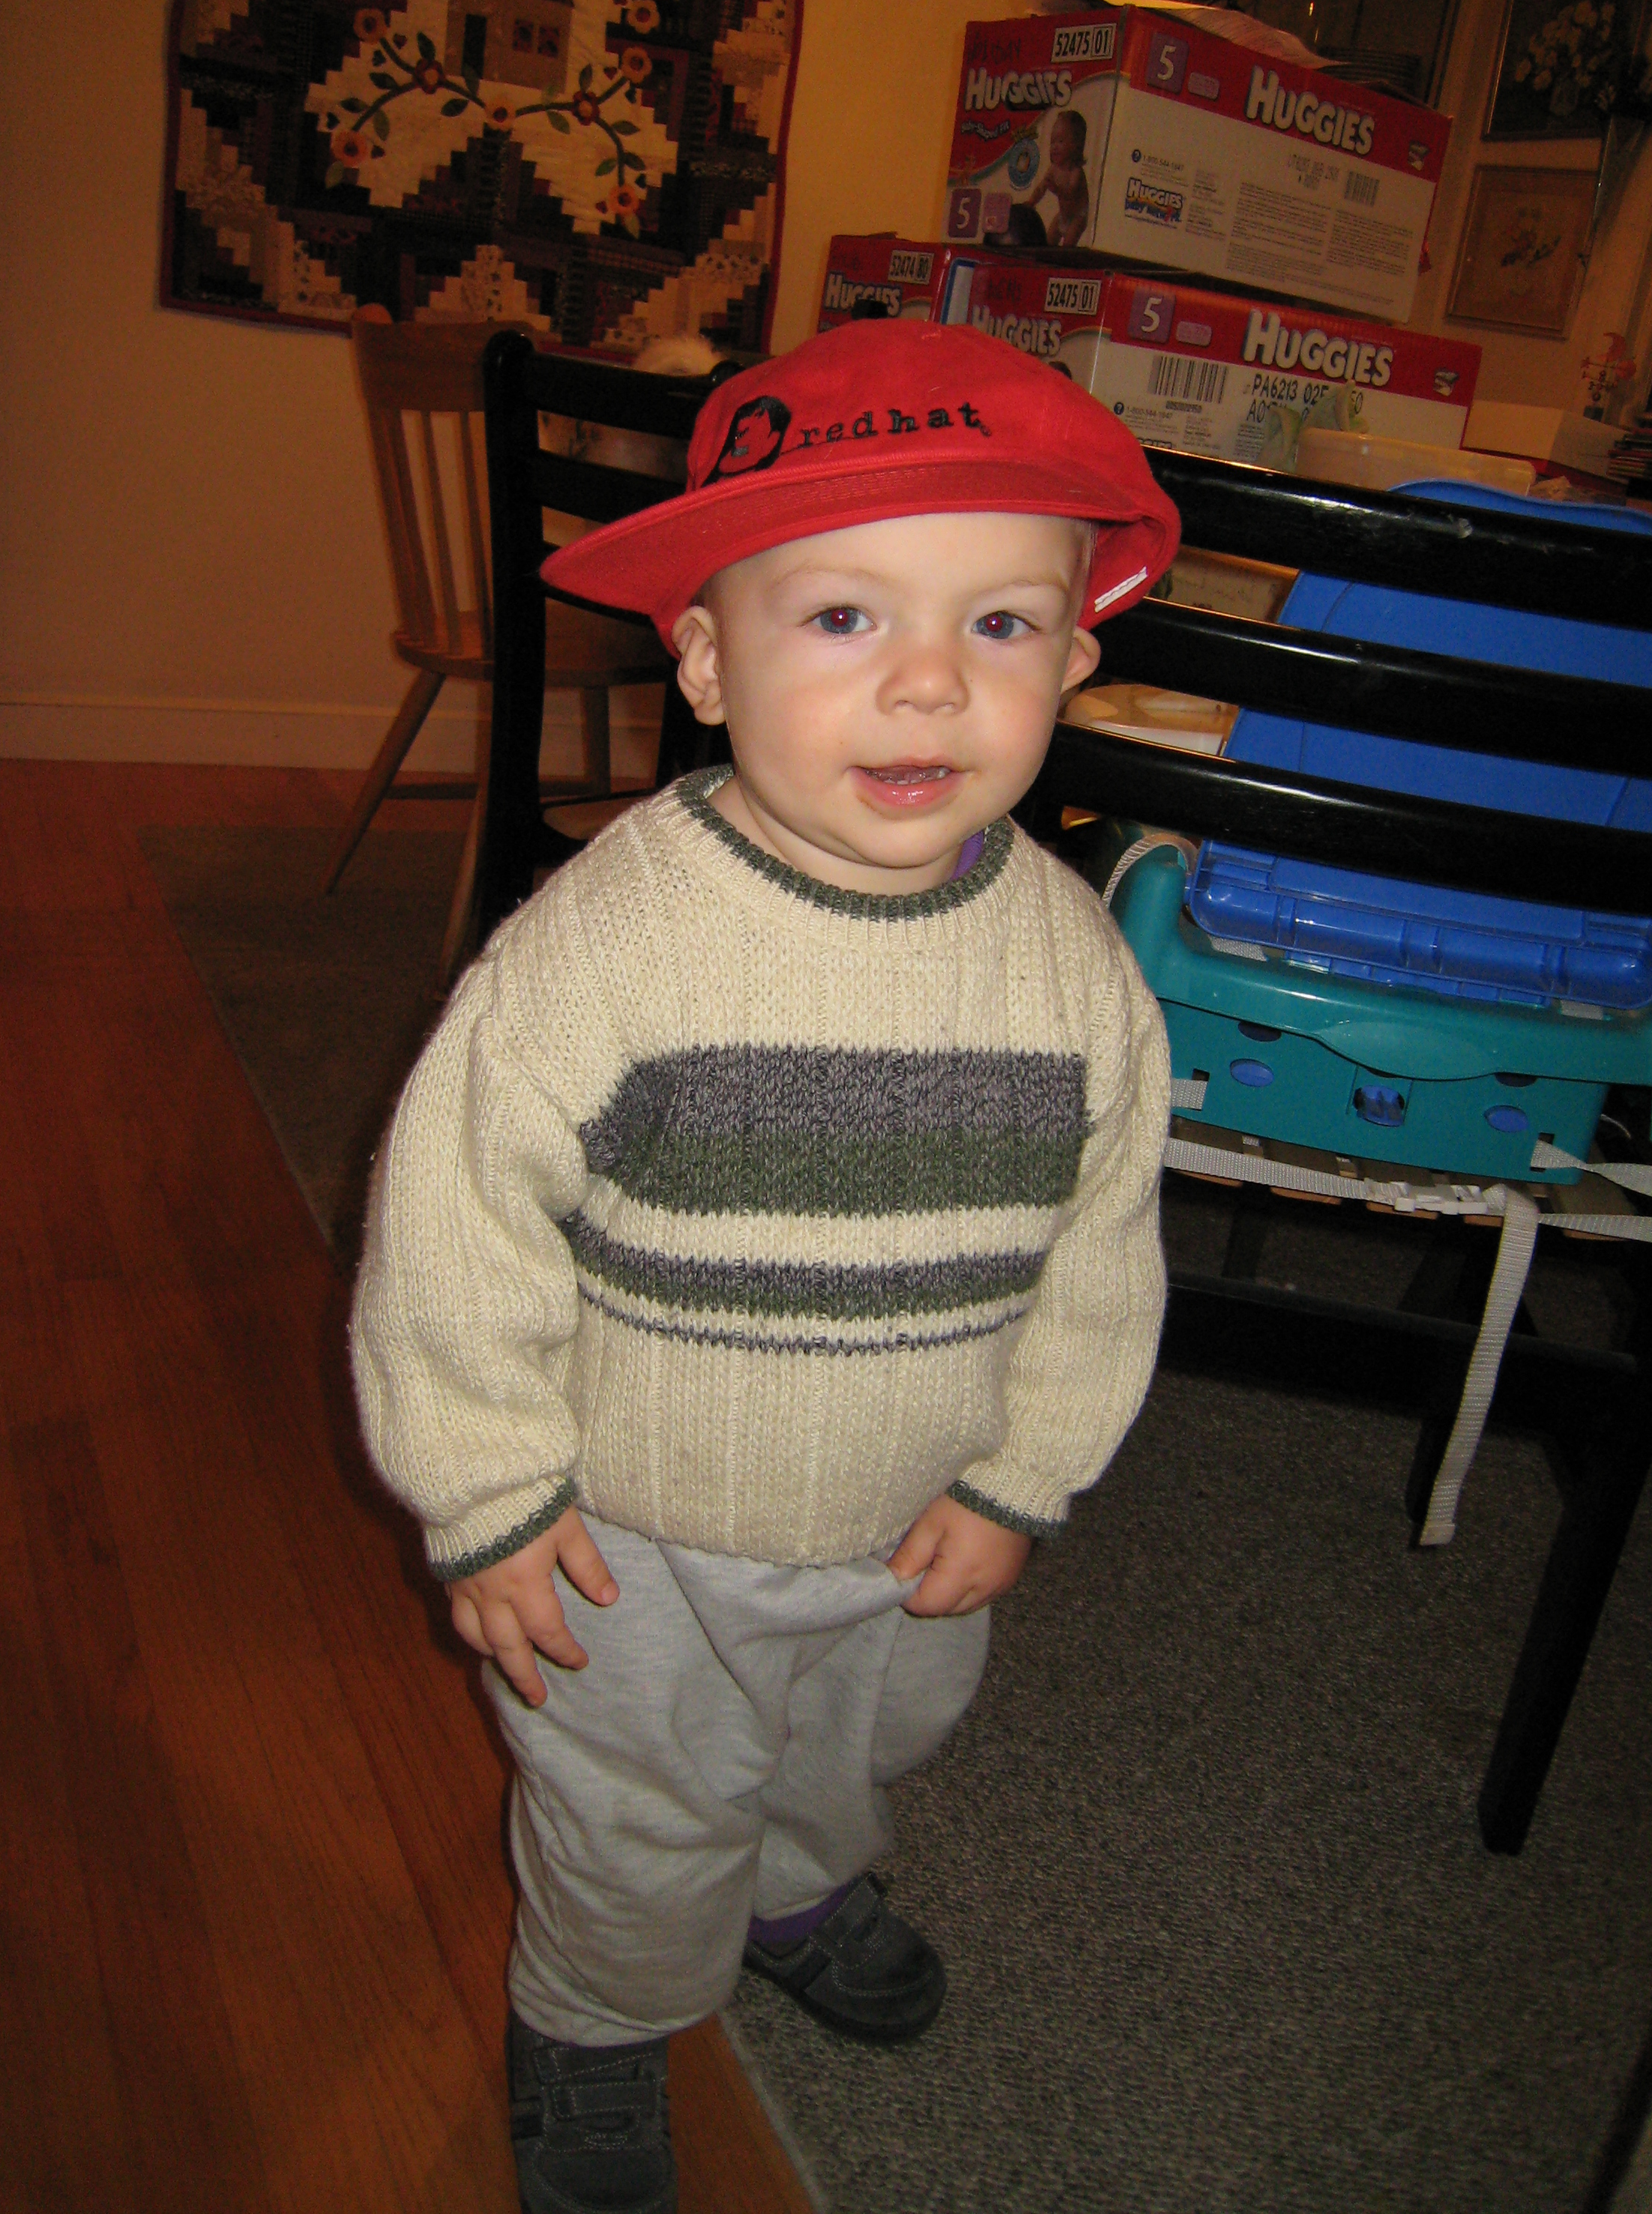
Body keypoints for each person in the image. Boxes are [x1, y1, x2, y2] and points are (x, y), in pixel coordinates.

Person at [350, 318, 1181, 2214]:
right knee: (638, 1809)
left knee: (853, 1748)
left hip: (914, 1513)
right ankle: (593, 2016)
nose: (926, 680)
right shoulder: (610, 944)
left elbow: (1103, 1254)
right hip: (628, 1533)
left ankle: (793, 1890)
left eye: (999, 622)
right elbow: (453, 1221)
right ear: (709, 658)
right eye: (842, 616)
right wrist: (486, 1492)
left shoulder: (1076, 964)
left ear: (1075, 656)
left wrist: (1024, 1472)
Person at [1034, 107, 1091, 246]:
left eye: (1060, 141)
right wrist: (1031, 202)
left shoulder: (1076, 172)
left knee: (1067, 246)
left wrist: (1056, 189)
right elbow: (1041, 188)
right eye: (1052, 142)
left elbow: (1070, 194)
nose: (1054, 147)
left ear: (1075, 145)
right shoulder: (1053, 169)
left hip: (1078, 217)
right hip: (1063, 215)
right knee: (1047, 243)